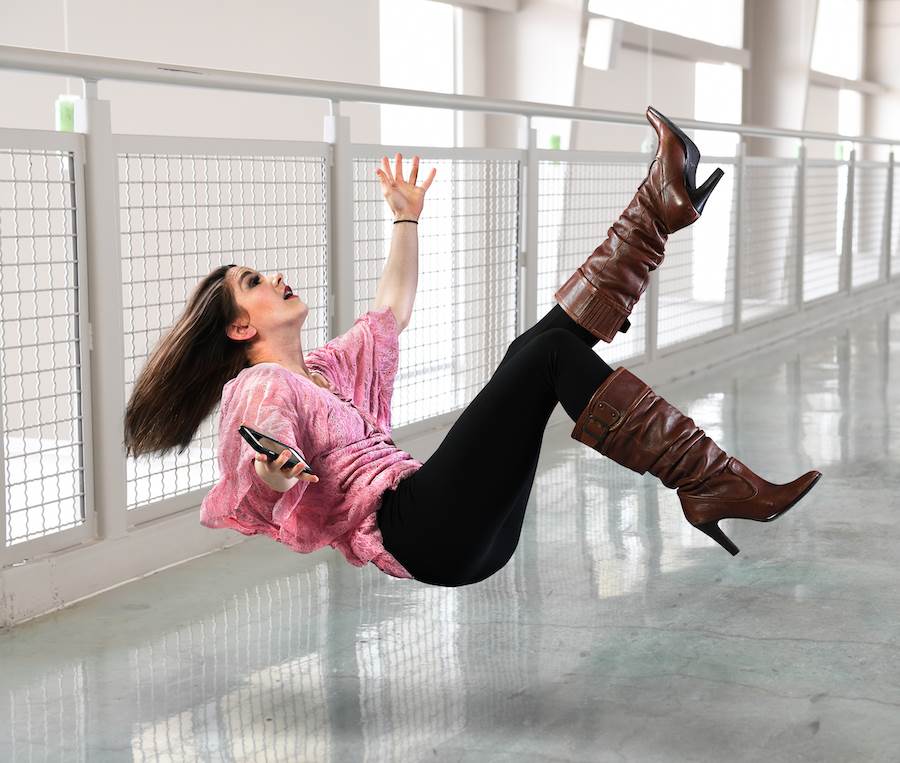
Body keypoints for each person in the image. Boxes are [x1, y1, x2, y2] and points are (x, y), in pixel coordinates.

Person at [123, 106, 822, 588]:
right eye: (254, 282)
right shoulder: (262, 389)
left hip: (453, 534)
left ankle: (658, 211)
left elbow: (388, 311)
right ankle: (710, 479)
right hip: (421, 528)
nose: (274, 277)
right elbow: (263, 471)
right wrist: (277, 469)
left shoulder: (321, 371)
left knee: (540, 342)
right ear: (241, 327)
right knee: (545, 357)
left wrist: (404, 218)